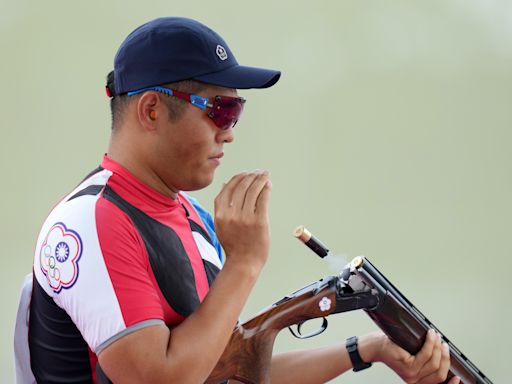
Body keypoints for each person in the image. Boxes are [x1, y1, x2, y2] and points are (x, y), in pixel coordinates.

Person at [15, 16, 460, 384]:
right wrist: (244, 262)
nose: (229, 130)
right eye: (219, 109)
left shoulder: (192, 217)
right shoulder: (91, 220)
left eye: (236, 110)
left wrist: (370, 349)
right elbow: (159, 379)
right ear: (151, 110)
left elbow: (221, 371)